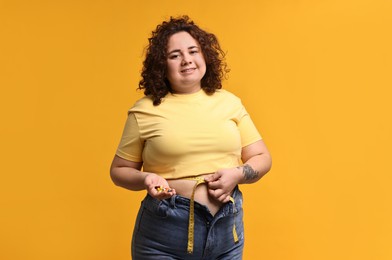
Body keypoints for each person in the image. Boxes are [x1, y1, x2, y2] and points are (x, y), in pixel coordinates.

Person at [110, 15, 272, 260]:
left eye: (193, 51)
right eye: (174, 55)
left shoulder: (229, 103)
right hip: (163, 237)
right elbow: (119, 170)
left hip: (227, 231)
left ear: (205, 55)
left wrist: (238, 174)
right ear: (161, 65)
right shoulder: (144, 110)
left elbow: (262, 157)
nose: (186, 60)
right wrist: (147, 178)